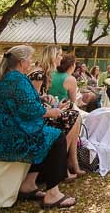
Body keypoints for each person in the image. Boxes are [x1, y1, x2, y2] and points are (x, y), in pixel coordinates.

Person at [0, 45, 76, 209]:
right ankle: (52, 194)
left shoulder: (8, 76)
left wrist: (46, 103)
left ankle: (28, 185)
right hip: (3, 136)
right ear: (22, 62)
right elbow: (30, 110)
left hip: (0, 128)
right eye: (30, 59)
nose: (31, 62)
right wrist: (53, 112)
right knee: (56, 136)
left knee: (48, 134)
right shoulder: (16, 79)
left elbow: (25, 104)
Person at [28, 46, 85, 179]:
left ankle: (70, 162)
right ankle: (61, 166)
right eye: (59, 55)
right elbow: (31, 103)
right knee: (72, 117)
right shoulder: (39, 74)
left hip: (43, 112)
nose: (61, 58)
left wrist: (49, 101)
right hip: (35, 118)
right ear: (52, 57)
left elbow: (37, 97)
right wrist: (51, 107)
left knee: (74, 116)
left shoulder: (45, 73)